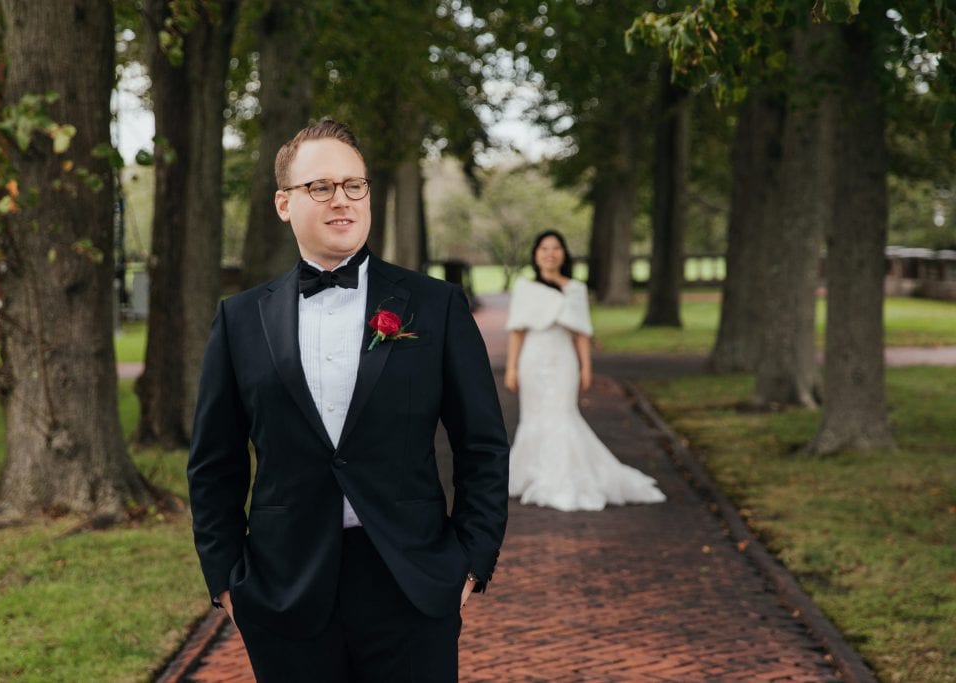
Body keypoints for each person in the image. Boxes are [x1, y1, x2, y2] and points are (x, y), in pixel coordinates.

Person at [187, 118, 509, 682]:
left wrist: (470, 564)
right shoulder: (238, 321)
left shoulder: (435, 307)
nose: (342, 200)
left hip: (413, 582)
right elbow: (215, 465)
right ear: (284, 203)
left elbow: (481, 445)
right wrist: (226, 582)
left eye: (353, 185)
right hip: (283, 588)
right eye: (321, 187)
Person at [504, 230, 665, 512]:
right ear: (536, 254)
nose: (550, 253)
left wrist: (585, 367)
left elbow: (581, 334)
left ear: (563, 254)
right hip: (533, 358)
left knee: (562, 414)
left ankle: (563, 478)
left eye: (556, 248)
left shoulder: (575, 289)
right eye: (544, 248)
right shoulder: (525, 288)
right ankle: (531, 473)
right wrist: (512, 367)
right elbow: (517, 331)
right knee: (534, 416)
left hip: (563, 359)